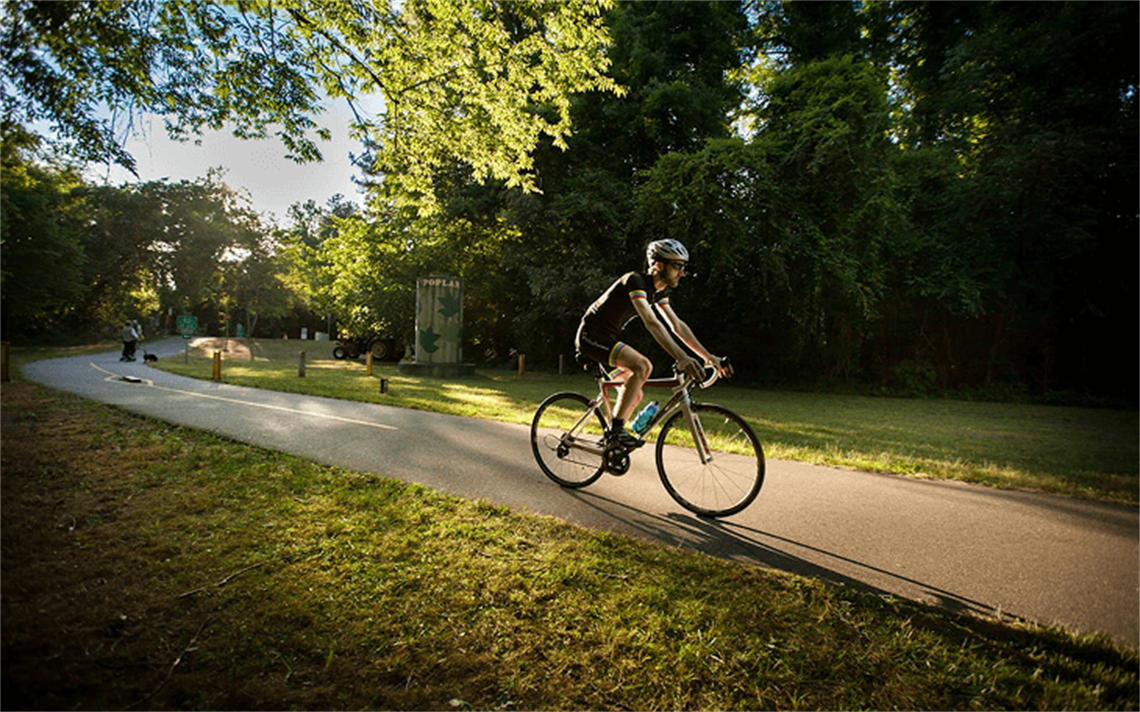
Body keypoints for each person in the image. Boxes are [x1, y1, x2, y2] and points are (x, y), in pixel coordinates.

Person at [575, 239, 731, 451]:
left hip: (608, 337)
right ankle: (616, 432)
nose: (682, 273)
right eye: (677, 266)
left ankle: (611, 437)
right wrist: (681, 357)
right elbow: (651, 322)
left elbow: (677, 326)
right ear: (658, 265)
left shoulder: (658, 292)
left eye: (683, 267)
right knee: (643, 366)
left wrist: (707, 356)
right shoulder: (635, 281)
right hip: (591, 335)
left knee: (635, 392)